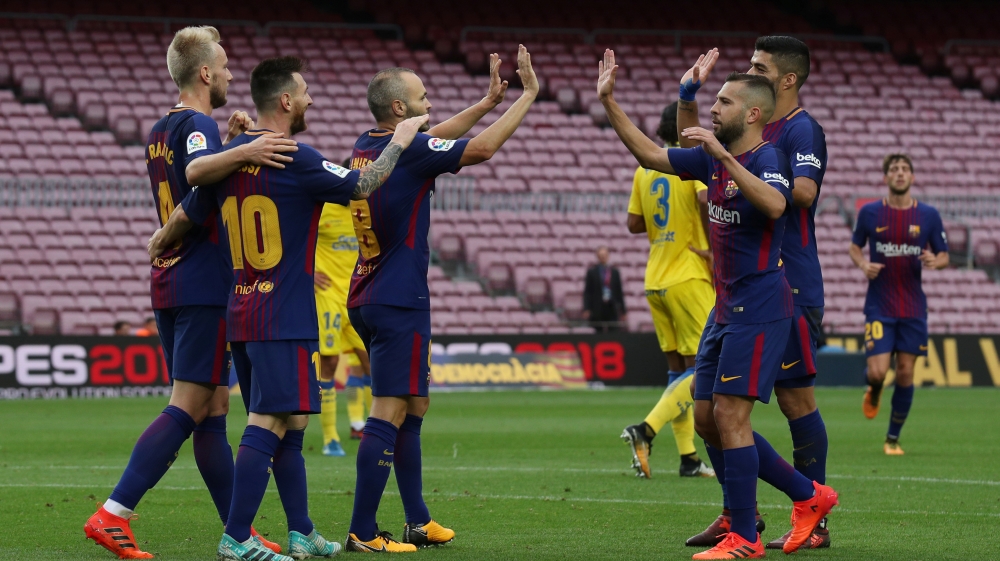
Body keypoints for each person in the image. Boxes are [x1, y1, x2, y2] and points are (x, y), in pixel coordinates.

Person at [598, 51, 838, 559]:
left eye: (724, 102)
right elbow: (651, 155)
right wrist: (610, 102)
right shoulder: (713, 156)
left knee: (732, 416)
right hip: (724, 308)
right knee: (706, 417)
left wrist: (723, 159)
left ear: (751, 114)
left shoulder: (766, 159)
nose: (713, 108)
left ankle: (745, 535)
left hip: (762, 306)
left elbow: (777, 204)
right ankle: (808, 495)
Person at [85, 26, 293, 559]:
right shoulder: (198, 124)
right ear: (204, 72)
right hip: (203, 281)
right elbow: (200, 187)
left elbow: (191, 180)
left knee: (213, 409)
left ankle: (238, 531)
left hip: (171, 280)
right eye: (223, 67)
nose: (229, 75)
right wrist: (246, 149)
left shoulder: (161, 129)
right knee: (190, 403)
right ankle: (113, 512)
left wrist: (230, 144)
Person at [344, 45, 538, 553]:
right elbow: (481, 149)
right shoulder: (409, 152)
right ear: (399, 108)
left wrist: (487, 101)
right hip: (397, 299)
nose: (429, 102)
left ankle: (417, 520)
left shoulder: (367, 145)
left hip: (368, 292)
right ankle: (363, 530)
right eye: (422, 97)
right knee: (388, 410)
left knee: (414, 404)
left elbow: (433, 138)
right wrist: (526, 96)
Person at [677, 37, 833, 550]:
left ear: (785, 80)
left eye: (759, 67)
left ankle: (814, 517)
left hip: (789, 280)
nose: (750, 71)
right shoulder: (745, 129)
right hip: (743, 285)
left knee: (794, 400)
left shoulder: (799, 130)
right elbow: (695, 150)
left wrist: (757, 170)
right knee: (715, 412)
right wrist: (691, 101)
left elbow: (800, 193)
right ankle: (738, 514)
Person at [620, 101, 715, 480]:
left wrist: (666, 223)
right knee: (703, 369)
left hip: (656, 278)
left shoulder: (644, 169)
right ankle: (645, 430)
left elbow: (633, 223)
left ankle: (688, 458)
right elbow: (706, 201)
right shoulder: (690, 164)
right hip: (688, 274)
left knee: (678, 372)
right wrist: (712, 248)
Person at [850, 153, 948, 455]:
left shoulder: (928, 215)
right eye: (894, 169)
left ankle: (892, 438)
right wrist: (863, 265)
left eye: (905, 169)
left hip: (913, 307)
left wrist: (936, 261)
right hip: (879, 305)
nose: (900, 173)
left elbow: (944, 255)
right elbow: (855, 247)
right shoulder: (870, 213)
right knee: (878, 372)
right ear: (886, 177)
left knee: (905, 372)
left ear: (912, 177)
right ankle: (874, 390)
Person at [582, 246, 626, 331]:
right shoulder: (592, 272)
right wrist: (586, 308)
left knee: (613, 331)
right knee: (598, 332)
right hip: (597, 308)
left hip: (611, 307)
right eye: (601, 255)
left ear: (608, 256)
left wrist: (623, 311)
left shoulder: (615, 272)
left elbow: (619, 292)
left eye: (605, 255)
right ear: (597, 256)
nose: (603, 257)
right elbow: (587, 292)